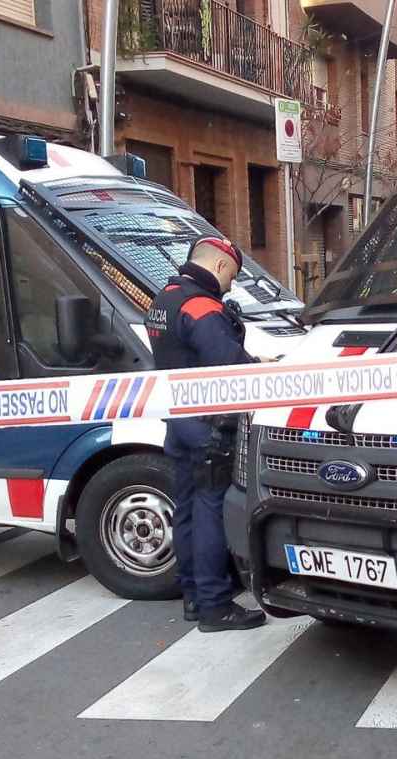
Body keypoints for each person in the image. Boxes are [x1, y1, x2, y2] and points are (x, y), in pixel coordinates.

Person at [146, 236, 268, 632]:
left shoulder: (164, 298)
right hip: (208, 428)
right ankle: (216, 605)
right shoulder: (201, 306)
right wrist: (264, 368)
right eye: (231, 275)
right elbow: (229, 364)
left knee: (185, 508)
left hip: (178, 421)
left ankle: (195, 597)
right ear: (218, 267)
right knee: (210, 509)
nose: (231, 284)